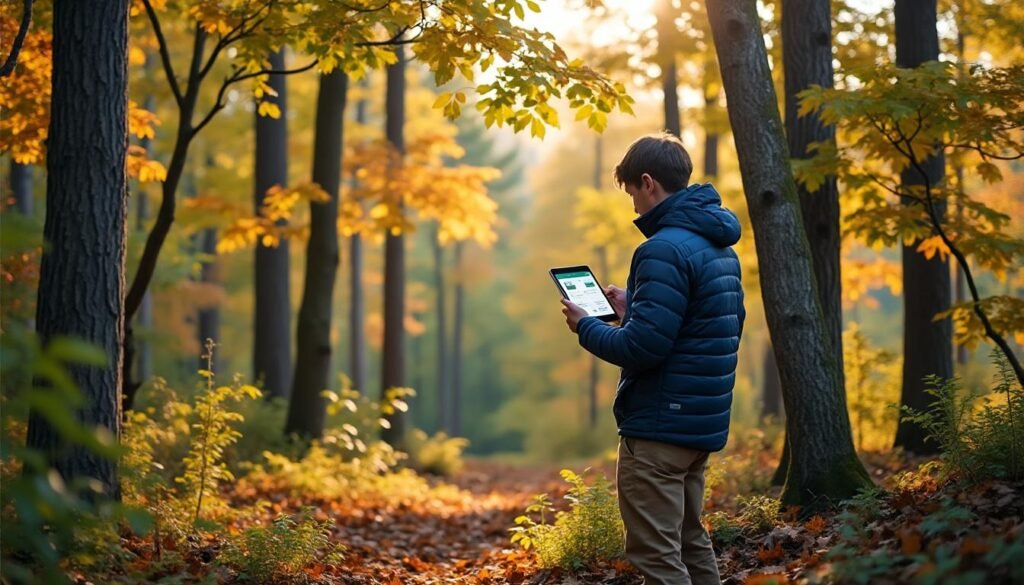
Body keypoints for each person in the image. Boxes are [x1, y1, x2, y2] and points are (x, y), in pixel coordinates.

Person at [561, 133, 744, 585]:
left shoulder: (661, 248)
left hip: (661, 425)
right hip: (699, 422)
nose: (633, 207)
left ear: (648, 182)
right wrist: (635, 305)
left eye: (631, 193)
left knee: (655, 553)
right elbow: (706, 324)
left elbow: (642, 348)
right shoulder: (717, 245)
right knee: (688, 539)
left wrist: (588, 326)